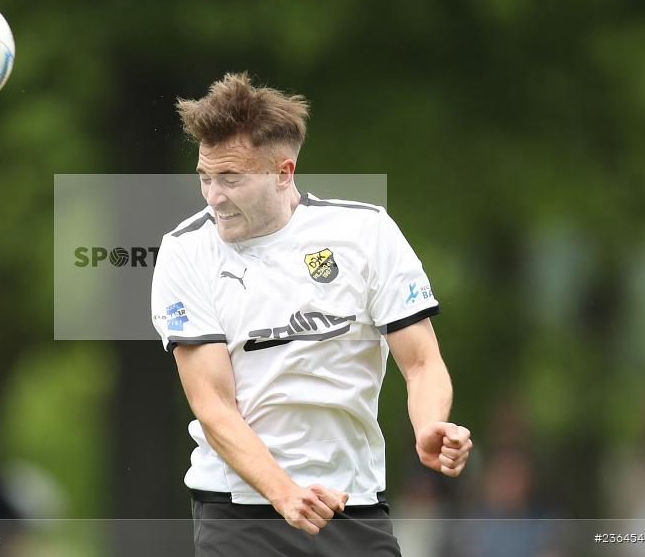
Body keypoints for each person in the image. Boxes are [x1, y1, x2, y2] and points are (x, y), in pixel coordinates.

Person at [151, 72, 472, 556]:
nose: (214, 196)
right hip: (240, 513)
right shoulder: (184, 252)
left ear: (283, 172)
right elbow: (213, 404)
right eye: (205, 177)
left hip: (353, 503)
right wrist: (284, 493)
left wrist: (429, 424)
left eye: (231, 179)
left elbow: (422, 363)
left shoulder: (367, 233)